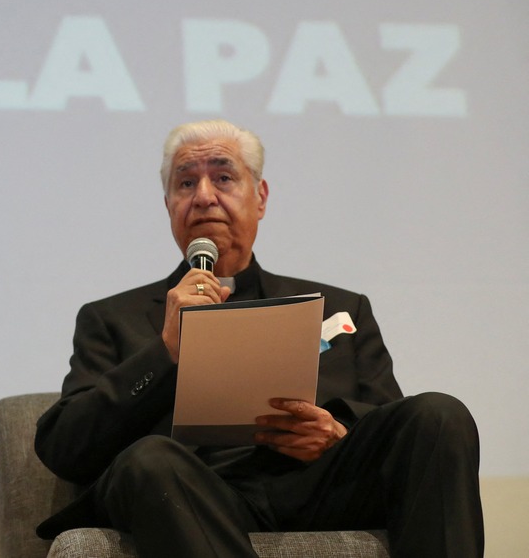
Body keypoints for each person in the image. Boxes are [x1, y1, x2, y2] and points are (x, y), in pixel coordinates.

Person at [34, 119, 484, 556]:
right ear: (168, 204)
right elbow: (63, 448)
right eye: (185, 183)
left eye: (224, 177)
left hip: (319, 488)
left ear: (260, 197)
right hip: (191, 497)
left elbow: (391, 426)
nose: (204, 197)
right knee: (149, 459)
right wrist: (166, 351)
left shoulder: (341, 306)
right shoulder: (112, 318)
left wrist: (338, 434)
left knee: (439, 415)